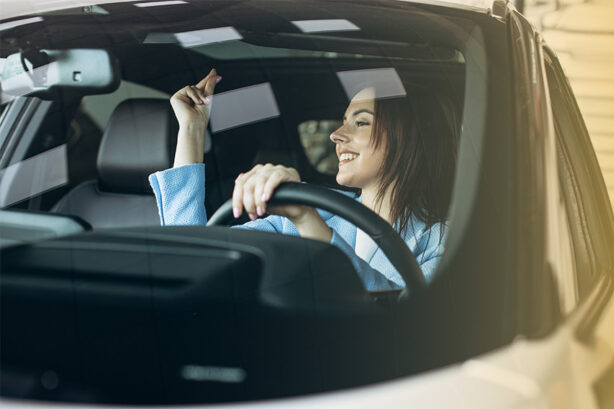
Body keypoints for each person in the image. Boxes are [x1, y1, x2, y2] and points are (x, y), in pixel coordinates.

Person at [148, 69, 457, 291]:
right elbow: (192, 261)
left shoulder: (443, 243)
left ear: (409, 138)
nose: (336, 135)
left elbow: (401, 317)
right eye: (343, 121)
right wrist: (191, 130)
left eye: (360, 122)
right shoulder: (299, 211)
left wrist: (308, 221)